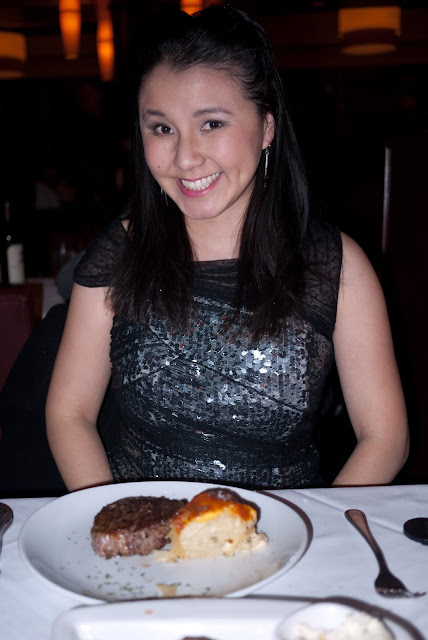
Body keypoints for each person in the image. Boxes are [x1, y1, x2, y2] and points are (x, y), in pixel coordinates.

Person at [46, 5, 409, 493]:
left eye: (212, 124)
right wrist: (111, 516)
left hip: (284, 527)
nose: (185, 157)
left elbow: (385, 437)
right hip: (146, 526)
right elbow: (68, 413)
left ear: (267, 128)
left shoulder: (333, 264)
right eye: (162, 128)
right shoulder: (120, 252)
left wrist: (319, 527)